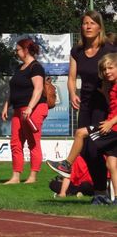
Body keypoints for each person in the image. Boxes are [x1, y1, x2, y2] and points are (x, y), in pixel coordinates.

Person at [48, 53, 117, 203]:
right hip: (111, 124)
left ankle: (66, 165)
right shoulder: (111, 87)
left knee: (80, 133)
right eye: (104, 69)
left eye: (111, 68)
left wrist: (111, 123)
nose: (107, 72)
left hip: (114, 127)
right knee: (111, 163)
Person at [67, 11, 116, 204]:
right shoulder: (77, 51)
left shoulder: (109, 48)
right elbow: (71, 77)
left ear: (99, 27)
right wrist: (72, 94)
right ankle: (100, 192)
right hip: (85, 103)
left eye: (92, 23)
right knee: (87, 150)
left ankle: (100, 193)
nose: (88, 26)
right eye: (85, 23)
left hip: (103, 104)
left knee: (95, 146)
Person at [1, 39, 48, 184]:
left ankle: (32, 176)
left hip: (34, 109)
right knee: (15, 142)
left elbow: (38, 88)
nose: (16, 52)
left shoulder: (36, 67)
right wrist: (6, 105)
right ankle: (16, 176)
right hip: (18, 109)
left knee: (33, 142)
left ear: (26, 50)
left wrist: (30, 107)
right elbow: (14, 89)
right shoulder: (20, 67)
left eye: (18, 49)